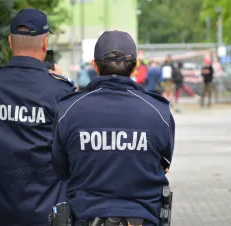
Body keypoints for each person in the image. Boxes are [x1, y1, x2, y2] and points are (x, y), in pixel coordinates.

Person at [0, 8, 76, 226]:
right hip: (48, 211)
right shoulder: (60, 91)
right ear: (45, 43)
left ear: (10, 42)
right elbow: (74, 149)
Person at [52, 30, 175, 226]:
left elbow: (61, 168)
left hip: (85, 217)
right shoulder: (159, 111)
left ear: (95, 65)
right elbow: (164, 164)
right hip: (143, 218)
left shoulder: (68, 109)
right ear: (134, 67)